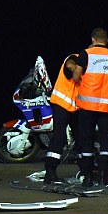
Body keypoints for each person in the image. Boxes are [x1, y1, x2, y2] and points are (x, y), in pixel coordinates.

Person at [73, 28, 108, 187]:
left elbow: (76, 75)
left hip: (88, 105)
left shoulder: (86, 54)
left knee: (87, 141)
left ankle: (87, 177)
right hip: (107, 107)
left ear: (93, 39)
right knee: (105, 142)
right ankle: (103, 177)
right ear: (106, 41)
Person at [42, 51, 81, 184]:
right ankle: (50, 172)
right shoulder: (75, 58)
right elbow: (70, 65)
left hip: (76, 107)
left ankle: (86, 171)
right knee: (59, 137)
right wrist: (79, 72)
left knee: (81, 139)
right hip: (61, 105)